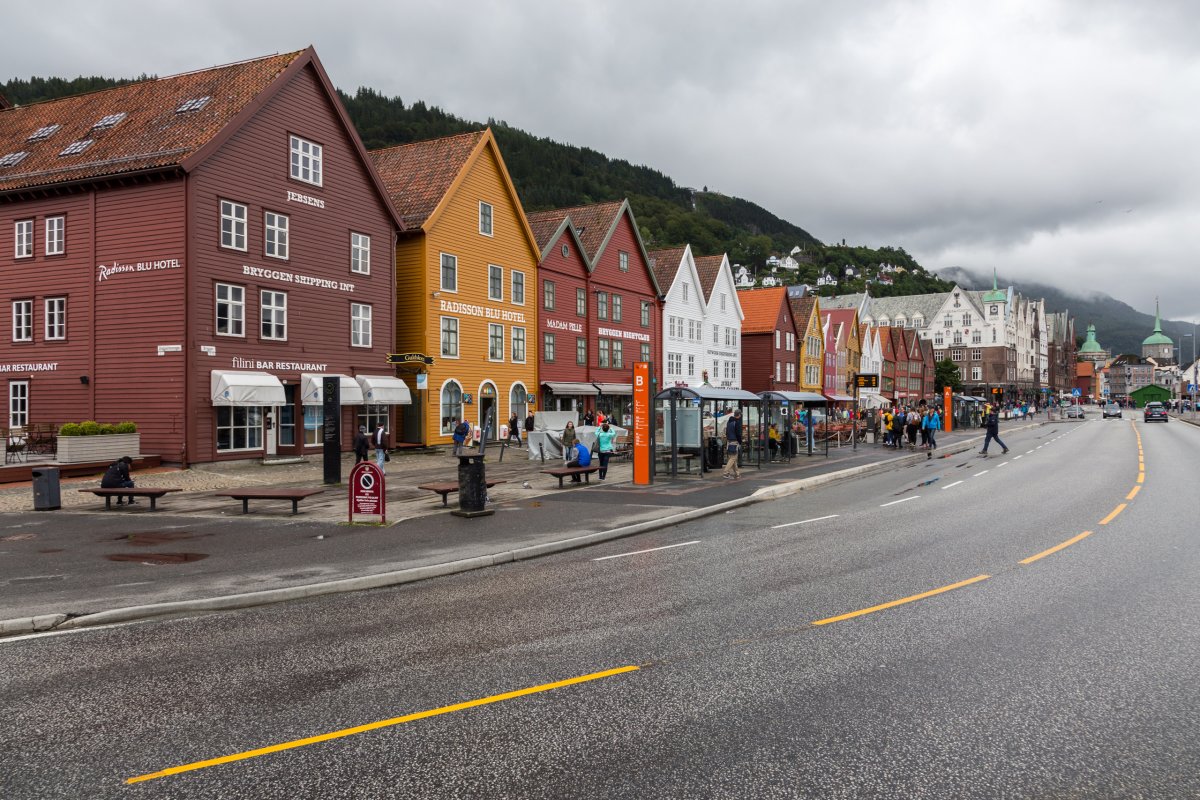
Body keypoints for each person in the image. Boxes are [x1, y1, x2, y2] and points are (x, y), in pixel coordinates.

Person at [723, 409, 743, 478]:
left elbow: (726, 432)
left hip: (729, 442)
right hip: (734, 442)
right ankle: (726, 472)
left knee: (732, 458)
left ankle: (737, 473)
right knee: (733, 458)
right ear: (739, 415)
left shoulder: (729, 422)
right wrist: (740, 442)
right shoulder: (737, 422)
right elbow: (738, 434)